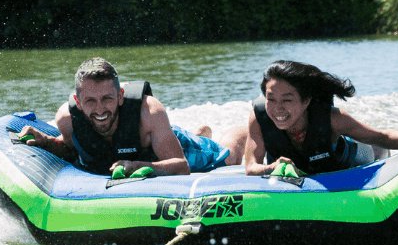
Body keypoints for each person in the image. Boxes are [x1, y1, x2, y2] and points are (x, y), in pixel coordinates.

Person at [16, 58, 243, 177]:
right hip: (150, 144)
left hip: (165, 149)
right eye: (90, 101)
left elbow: (181, 166)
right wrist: (45, 141)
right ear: (78, 100)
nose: (100, 110)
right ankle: (200, 132)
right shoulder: (67, 119)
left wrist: (136, 165)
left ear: (121, 96)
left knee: (229, 157)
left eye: (107, 98)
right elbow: (72, 149)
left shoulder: (148, 112)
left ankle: (238, 133)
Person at [241, 60, 398, 177]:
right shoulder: (259, 118)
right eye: (271, 99)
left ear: (306, 101)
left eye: (287, 100)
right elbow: (251, 167)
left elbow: (381, 136)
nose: (277, 108)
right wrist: (271, 168)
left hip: (352, 158)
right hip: (307, 169)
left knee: (375, 147)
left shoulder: (332, 119)